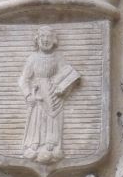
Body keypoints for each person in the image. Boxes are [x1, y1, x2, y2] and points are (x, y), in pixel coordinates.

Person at [19, 26, 80, 164]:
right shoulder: (33, 58)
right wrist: (28, 95)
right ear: (37, 39)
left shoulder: (58, 57)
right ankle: (34, 144)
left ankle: (52, 145)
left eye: (48, 37)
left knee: (53, 120)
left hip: (54, 94)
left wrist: (64, 87)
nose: (45, 40)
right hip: (39, 94)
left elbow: (67, 74)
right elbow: (23, 79)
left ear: (54, 40)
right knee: (38, 119)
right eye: (42, 36)